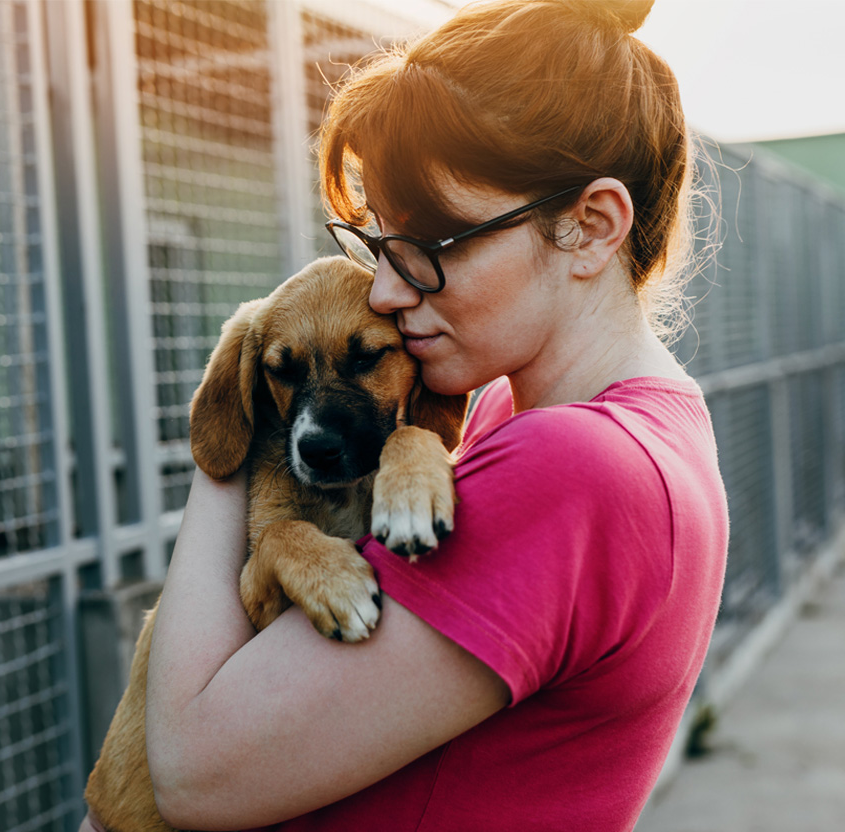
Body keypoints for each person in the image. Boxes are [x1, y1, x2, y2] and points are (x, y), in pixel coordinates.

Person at [143, 1, 729, 830]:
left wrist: (250, 416)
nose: (385, 290)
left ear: (590, 228)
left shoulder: (572, 468)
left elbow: (195, 772)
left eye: (432, 244)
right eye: (377, 242)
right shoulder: (547, 416)